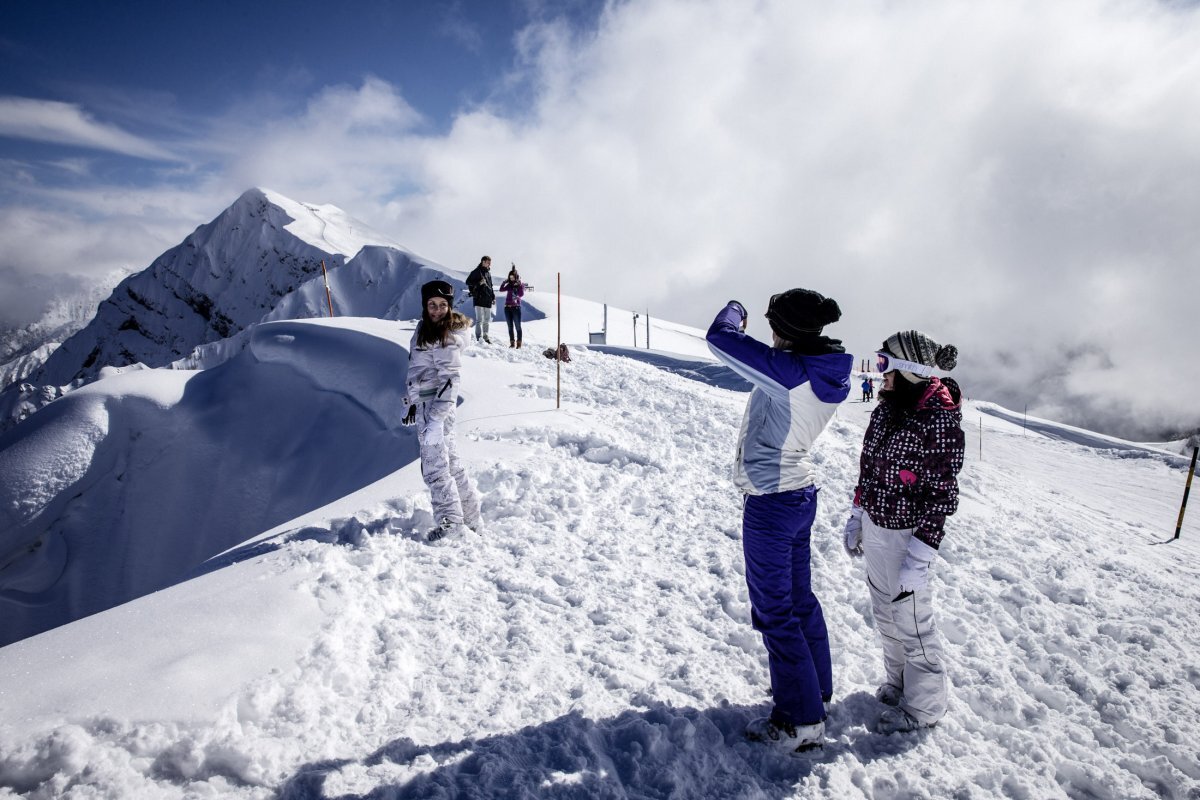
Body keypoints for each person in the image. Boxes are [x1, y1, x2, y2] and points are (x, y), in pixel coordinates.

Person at [705, 289, 853, 755]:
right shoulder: (821, 370)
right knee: (799, 601)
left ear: (783, 331)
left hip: (771, 504)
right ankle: (815, 692)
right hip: (798, 495)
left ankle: (800, 719)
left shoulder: (789, 374)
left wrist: (736, 307)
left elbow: (720, 337)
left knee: (775, 611)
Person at [842, 330, 964, 734]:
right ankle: (898, 683)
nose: (880, 374)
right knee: (884, 613)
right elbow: (869, 463)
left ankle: (925, 707)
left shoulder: (939, 420)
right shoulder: (887, 408)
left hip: (907, 537)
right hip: (877, 524)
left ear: (909, 370)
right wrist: (858, 512)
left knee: (911, 620)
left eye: (885, 365)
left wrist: (920, 554)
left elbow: (943, 495)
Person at [402, 280, 483, 543]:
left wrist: (435, 420)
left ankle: (450, 524)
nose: (437, 310)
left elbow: (450, 379)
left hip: (437, 409)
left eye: (442, 305)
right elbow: (421, 370)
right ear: (425, 305)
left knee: (435, 469)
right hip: (427, 406)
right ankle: (471, 519)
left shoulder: (444, 335)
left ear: (450, 307)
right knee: (451, 465)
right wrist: (413, 401)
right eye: (432, 305)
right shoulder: (426, 327)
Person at [465, 256, 496, 344]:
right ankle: (479, 338)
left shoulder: (488, 273)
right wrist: (479, 283)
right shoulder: (476, 271)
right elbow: (468, 282)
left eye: (490, 262)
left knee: (487, 320)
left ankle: (486, 337)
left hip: (488, 298)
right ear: (483, 262)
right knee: (479, 320)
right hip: (478, 298)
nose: (489, 264)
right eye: (488, 262)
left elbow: (491, 286)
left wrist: (493, 297)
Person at [499, 265, 529, 348]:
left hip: (516, 307)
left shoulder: (520, 284)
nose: (511, 278)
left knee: (518, 326)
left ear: (515, 277)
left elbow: (521, 294)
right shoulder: (509, 285)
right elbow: (501, 289)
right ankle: (512, 343)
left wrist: (519, 285)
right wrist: (504, 283)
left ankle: (518, 344)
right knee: (510, 326)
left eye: (512, 277)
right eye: (510, 277)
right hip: (507, 307)